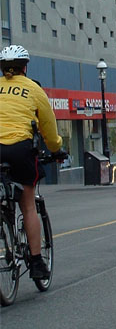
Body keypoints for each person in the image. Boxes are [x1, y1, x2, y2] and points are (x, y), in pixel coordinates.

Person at [0, 45, 63, 279]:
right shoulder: (33, 89)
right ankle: (36, 262)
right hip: (19, 149)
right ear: (25, 67)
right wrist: (56, 149)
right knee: (27, 204)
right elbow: (48, 125)